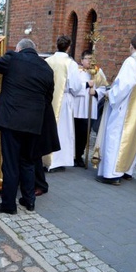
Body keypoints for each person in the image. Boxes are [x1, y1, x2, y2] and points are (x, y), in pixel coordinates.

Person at [0, 35, 56, 214]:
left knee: (10, 164)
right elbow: (48, 98)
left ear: (19, 49)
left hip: (12, 121)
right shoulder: (46, 67)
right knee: (28, 162)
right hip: (33, 124)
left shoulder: (14, 59)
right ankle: (29, 201)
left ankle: (9, 204)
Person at [96, 33, 136, 185]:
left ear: (131, 46)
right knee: (133, 138)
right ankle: (127, 171)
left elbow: (124, 85)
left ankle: (112, 174)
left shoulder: (131, 61)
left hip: (125, 108)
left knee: (115, 138)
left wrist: (110, 94)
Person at [43, 35, 83, 172]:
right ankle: (56, 161)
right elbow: (76, 86)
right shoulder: (71, 64)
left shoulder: (47, 60)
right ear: (69, 47)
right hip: (64, 99)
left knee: (48, 128)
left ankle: (45, 159)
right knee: (62, 131)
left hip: (47, 99)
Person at [74, 50, 108, 167]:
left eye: (91, 58)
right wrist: (87, 85)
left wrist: (96, 92)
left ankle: (79, 156)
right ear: (82, 60)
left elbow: (104, 87)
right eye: (87, 58)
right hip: (77, 106)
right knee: (74, 132)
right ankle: (71, 155)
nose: (90, 61)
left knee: (84, 133)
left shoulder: (98, 72)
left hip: (89, 107)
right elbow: (73, 87)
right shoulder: (76, 71)